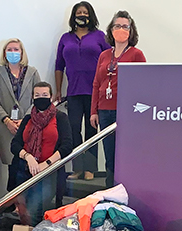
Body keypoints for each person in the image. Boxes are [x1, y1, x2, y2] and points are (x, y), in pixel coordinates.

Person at [55, 1, 110, 182]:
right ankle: (77, 168)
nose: (82, 15)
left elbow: (110, 63)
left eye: (85, 12)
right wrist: (57, 90)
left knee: (92, 130)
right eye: (79, 12)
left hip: (95, 92)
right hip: (73, 92)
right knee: (73, 130)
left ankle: (90, 169)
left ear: (90, 15)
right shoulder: (65, 38)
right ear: (73, 16)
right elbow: (59, 66)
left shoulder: (100, 36)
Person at [90, 11, 146, 188]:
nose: (121, 29)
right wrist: (93, 111)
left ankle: (126, 189)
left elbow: (143, 85)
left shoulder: (136, 54)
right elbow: (96, 84)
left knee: (125, 154)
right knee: (109, 154)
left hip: (125, 111)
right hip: (104, 110)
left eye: (125, 26)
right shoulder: (104, 55)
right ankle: (110, 190)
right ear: (111, 29)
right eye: (117, 26)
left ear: (131, 30)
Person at [9, 82, 73, 226]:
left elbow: (67, 146)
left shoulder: (60, 117)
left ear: (51, 97)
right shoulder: (27, 119)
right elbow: (15, 145)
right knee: (24, 214)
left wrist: (46, 164)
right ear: (32, 97)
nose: (41, 98)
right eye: (37, 95)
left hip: (49, 174)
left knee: (36, 212)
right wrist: (28, 156)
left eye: (45, 95)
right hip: (24, 172)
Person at [0, 38, 41, 165]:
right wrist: (7, 120)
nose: (13, 52)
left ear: (22, 52)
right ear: (4, 53)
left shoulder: (32, 73)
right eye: (9, 50)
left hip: (29, 124)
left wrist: (26, 119)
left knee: (29, 163)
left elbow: (38, 98)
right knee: (12, 166)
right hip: (6, 127)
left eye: (16, 49)